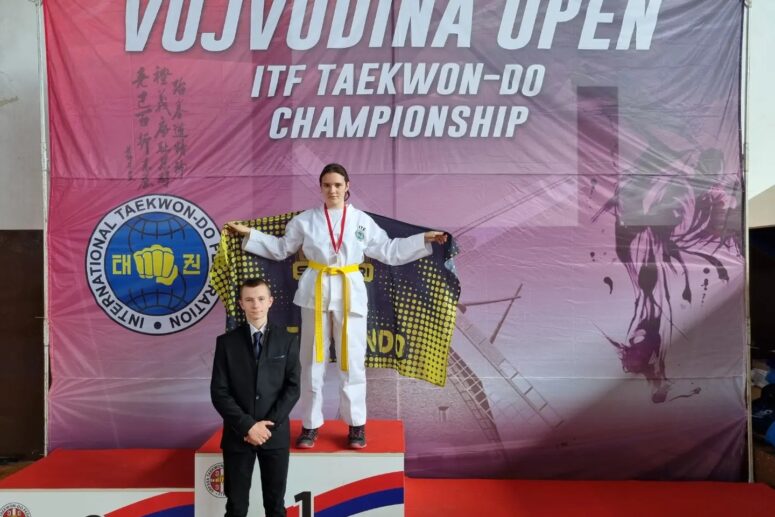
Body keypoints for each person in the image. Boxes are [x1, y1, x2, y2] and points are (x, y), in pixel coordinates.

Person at [226, 163, 446, 449]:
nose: (332, 190)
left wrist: (422, 240)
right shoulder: (305, 220)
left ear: (347, 186)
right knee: (311, 362)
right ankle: (310, 425)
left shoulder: (361, 221)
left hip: (350, 292)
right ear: (320, 188)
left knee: (352, 360)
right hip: (315, 291)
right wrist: (249, 235)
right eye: (327, 185)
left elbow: (389, 251)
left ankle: (356, 425)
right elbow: (281, 248)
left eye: (338, 185)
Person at [211, 278, 301, 517]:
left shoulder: (288, 340)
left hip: (274, 436)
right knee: (236, 507)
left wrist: (266, 427)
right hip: (238, 436)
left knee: (275, 506)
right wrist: (248, 427)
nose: (256, 305)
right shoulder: (226, 343)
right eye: (249, 300)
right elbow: (219, 392)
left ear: (270, 301)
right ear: (241, 303)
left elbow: (293, 388)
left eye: (261, 299)